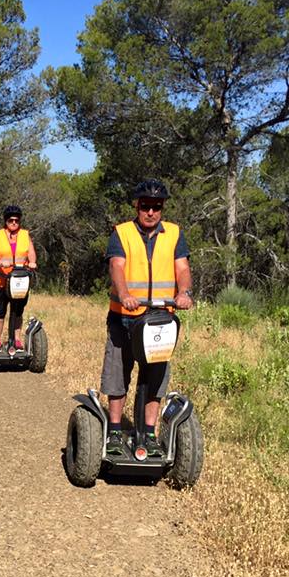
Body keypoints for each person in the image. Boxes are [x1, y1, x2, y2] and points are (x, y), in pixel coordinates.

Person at [103, 180, 193, 457]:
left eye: (156, 207)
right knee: (118, 373)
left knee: (155, 377)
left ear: (162, 207)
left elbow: (183, 268)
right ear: (137, 205)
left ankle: (150, 434)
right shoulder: (122, 233)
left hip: (159, 318)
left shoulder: (175, 234)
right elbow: (117, 266)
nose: (151, 212)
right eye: (145, 206)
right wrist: (125, 293)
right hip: (125, 316)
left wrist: (184, 293)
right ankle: (116, 431)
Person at [0, 205, 38, 351]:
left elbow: (31, 253)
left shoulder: (25, 235)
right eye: (11, 220)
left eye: (17, 220)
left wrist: (33, 262)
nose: (14, 223)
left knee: (18, 310)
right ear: (6, 221)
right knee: (0, 310)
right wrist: (0, 262)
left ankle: (17, 340)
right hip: (0, 280)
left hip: (19, 280)